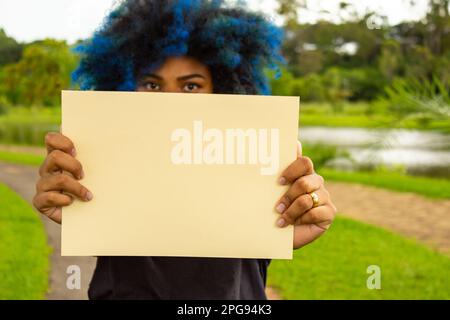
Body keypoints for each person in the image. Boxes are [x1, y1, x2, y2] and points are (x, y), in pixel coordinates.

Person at [33, 0, 337, 299]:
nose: (170, 101)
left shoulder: (247, 163)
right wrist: (73, 207)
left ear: (224, 90)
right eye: (152, 85)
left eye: (191, 86)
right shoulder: (107, 170)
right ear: (124, 87)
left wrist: (292, 222)